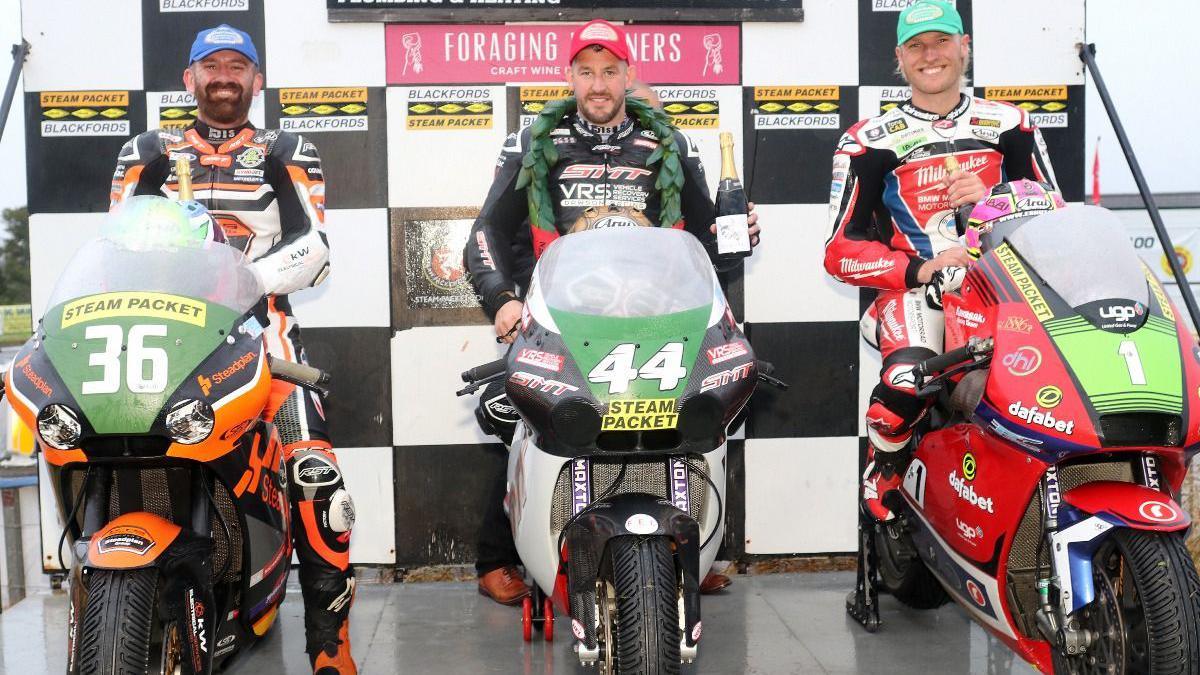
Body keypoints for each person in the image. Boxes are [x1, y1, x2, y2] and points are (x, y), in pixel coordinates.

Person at [464, 18, 760, 604]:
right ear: (569, 75)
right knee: (516, 416)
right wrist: (502, 300)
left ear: (628, 75)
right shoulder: (532, 142)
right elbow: (485, 234)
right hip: (556, 316)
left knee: (702, 412)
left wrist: (740, 232)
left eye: (609, 71)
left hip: (657, 314)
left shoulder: (667, 144)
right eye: (586, 71)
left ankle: (696, 547)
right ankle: (500, 556)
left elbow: (707, 236)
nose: (598, 84)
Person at [109, 25, 356, 675]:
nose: (224, 75)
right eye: (210, 64)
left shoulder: (287, 147)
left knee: (313, 471)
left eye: (238, 65)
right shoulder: (146, 148)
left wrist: (235, 280)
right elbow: (116, 244)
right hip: (162, 331)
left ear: (257, 80)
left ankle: (331, 644)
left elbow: (315, 250)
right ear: (188, 79)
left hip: (262, 328)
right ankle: (130, 604)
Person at [824, 0, 1057, 522]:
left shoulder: (1012, 126)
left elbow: (1054, 215)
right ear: (899, 59)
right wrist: (923, 270)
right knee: (907, 381)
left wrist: (997, 193)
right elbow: (838, 252)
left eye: (941, 42)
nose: (931, 55)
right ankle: (884, 466)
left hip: (1006, 294)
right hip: (916, 295)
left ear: (964, 48)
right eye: (916, 46)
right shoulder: (866, 142)